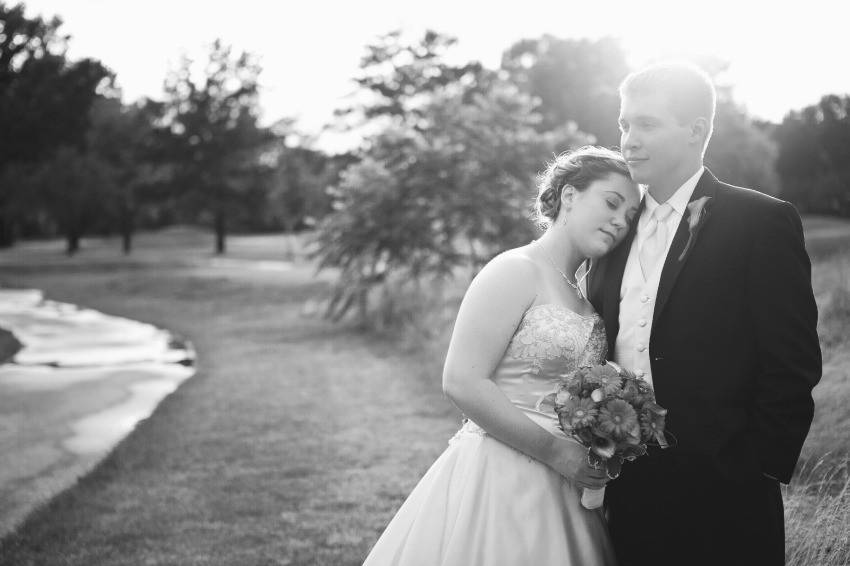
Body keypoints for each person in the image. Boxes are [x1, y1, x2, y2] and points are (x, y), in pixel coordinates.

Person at [586, 62, 822, 566]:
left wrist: (756, 468)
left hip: (728, 490)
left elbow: (793, 362)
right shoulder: (613, 227)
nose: (628, 139)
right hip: (626, 487)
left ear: (695, 130)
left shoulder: (760, 221)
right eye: (624, 124)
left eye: (646, 124)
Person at [362, 146, 640, 566]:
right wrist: (554, 452)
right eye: (612, 203)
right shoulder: (514, 269)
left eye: (630, 216)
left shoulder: (582, 290)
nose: (620, 221)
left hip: (566, 490)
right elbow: (462, 381)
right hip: (501, 476)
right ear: (569, 196)